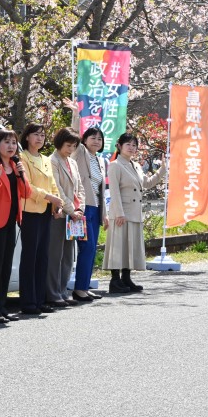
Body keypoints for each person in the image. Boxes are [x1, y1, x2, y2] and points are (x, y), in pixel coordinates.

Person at [0, 130, 33, 323]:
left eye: (13, 142)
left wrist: (21, 175)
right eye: (6, 142)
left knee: (6, 265)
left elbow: (26, 193)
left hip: (11, 221)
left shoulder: (16, 166)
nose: (11, 146)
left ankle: (1, 307)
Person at [105, 133, 167, 293]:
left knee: (129, 246)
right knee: (118, 246)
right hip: (122, 212)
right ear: (119, 146)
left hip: (134, 212)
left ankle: (126, 278)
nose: (132, 148)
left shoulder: (136, 166)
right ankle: (115, 280)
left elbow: (146, 184)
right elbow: (114, 191)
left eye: (134, 145)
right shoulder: (115, 165)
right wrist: (119, 213)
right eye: (128, 144)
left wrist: (162, 170)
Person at [18, 124, 64, 315]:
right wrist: (50, 197)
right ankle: (28, 301)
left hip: (45, 211)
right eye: (36, 134)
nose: (40, 138)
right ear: (27, 137)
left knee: (42, 256)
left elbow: (53, 184)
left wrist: (56, 204)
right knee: (30, 256)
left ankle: (39, 299)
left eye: (43, 135)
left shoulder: (45, 159)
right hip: (29, 211)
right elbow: (27, 187)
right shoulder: (23, 158)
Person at [69, 102, 108, 302]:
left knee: (92, 249)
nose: (96, 140)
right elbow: (73, 135)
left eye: (99, 138)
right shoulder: (81, 153)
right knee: (87, 247)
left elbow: (102, 190)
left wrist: (106, 214)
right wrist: (76, 114)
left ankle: (84, 285)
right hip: (83, 208)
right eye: (92, 137)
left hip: (96, 209)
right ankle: (79, 289)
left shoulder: (101, 161)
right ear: (84, 140)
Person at [47, 128, 85, 308]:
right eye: (68, 145)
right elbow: (57, 189)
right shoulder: (52, 161)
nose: (71, 149)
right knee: (56, 254)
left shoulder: (72, 162)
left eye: (74, 146)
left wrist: (80, 209)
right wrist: (71, 210)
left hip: (74, 215)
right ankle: (53, 293)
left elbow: (80, 188)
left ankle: (63, 290)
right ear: (60, 142)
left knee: (69, 255)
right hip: (60, 213)